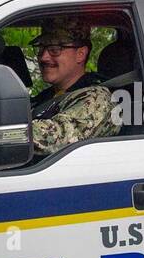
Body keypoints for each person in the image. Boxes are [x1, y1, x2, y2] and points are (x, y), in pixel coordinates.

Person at [28, 16, 117, 155]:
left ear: (81, 54)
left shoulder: (97, 99)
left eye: (55, 49)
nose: (43, 57)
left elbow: (58, 135)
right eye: (41, 48)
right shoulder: (47, 96)